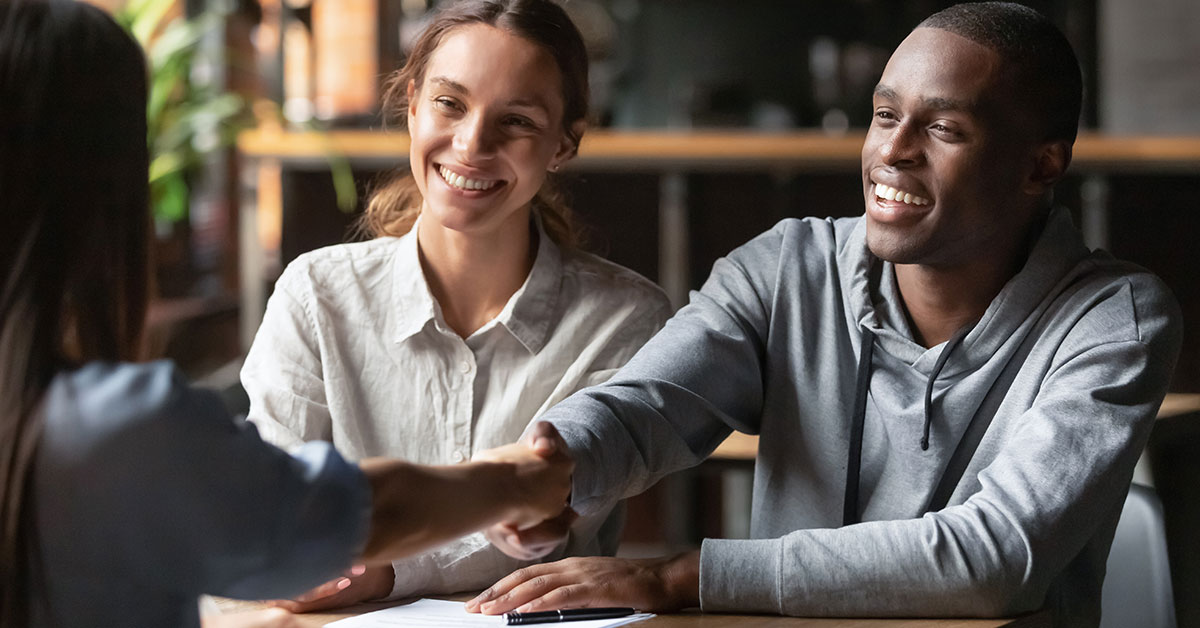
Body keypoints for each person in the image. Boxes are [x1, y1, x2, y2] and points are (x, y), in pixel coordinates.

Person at [465, 3, 1183, 627]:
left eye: (944, 129)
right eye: (885, 115)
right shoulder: (786, 267)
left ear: (1041, 168)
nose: (891, 153)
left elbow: (996, 556)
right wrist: (557, 463)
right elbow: (648, 405)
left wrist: (680, 578)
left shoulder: (1114, 319)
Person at [0, 2, 572, 627]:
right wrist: (514, 483)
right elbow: (322, 512)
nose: (473, 143)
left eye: (515, 119)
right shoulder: (115, 428)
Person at [239, 0, 670, 612]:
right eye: (450, 103)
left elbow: (550, 516)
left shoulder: (626, 321)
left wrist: (385, 568)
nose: (472, 144)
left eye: (516, 120)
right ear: (412, 106)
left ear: (563, 144)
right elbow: (273, 504)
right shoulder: (314, 296)